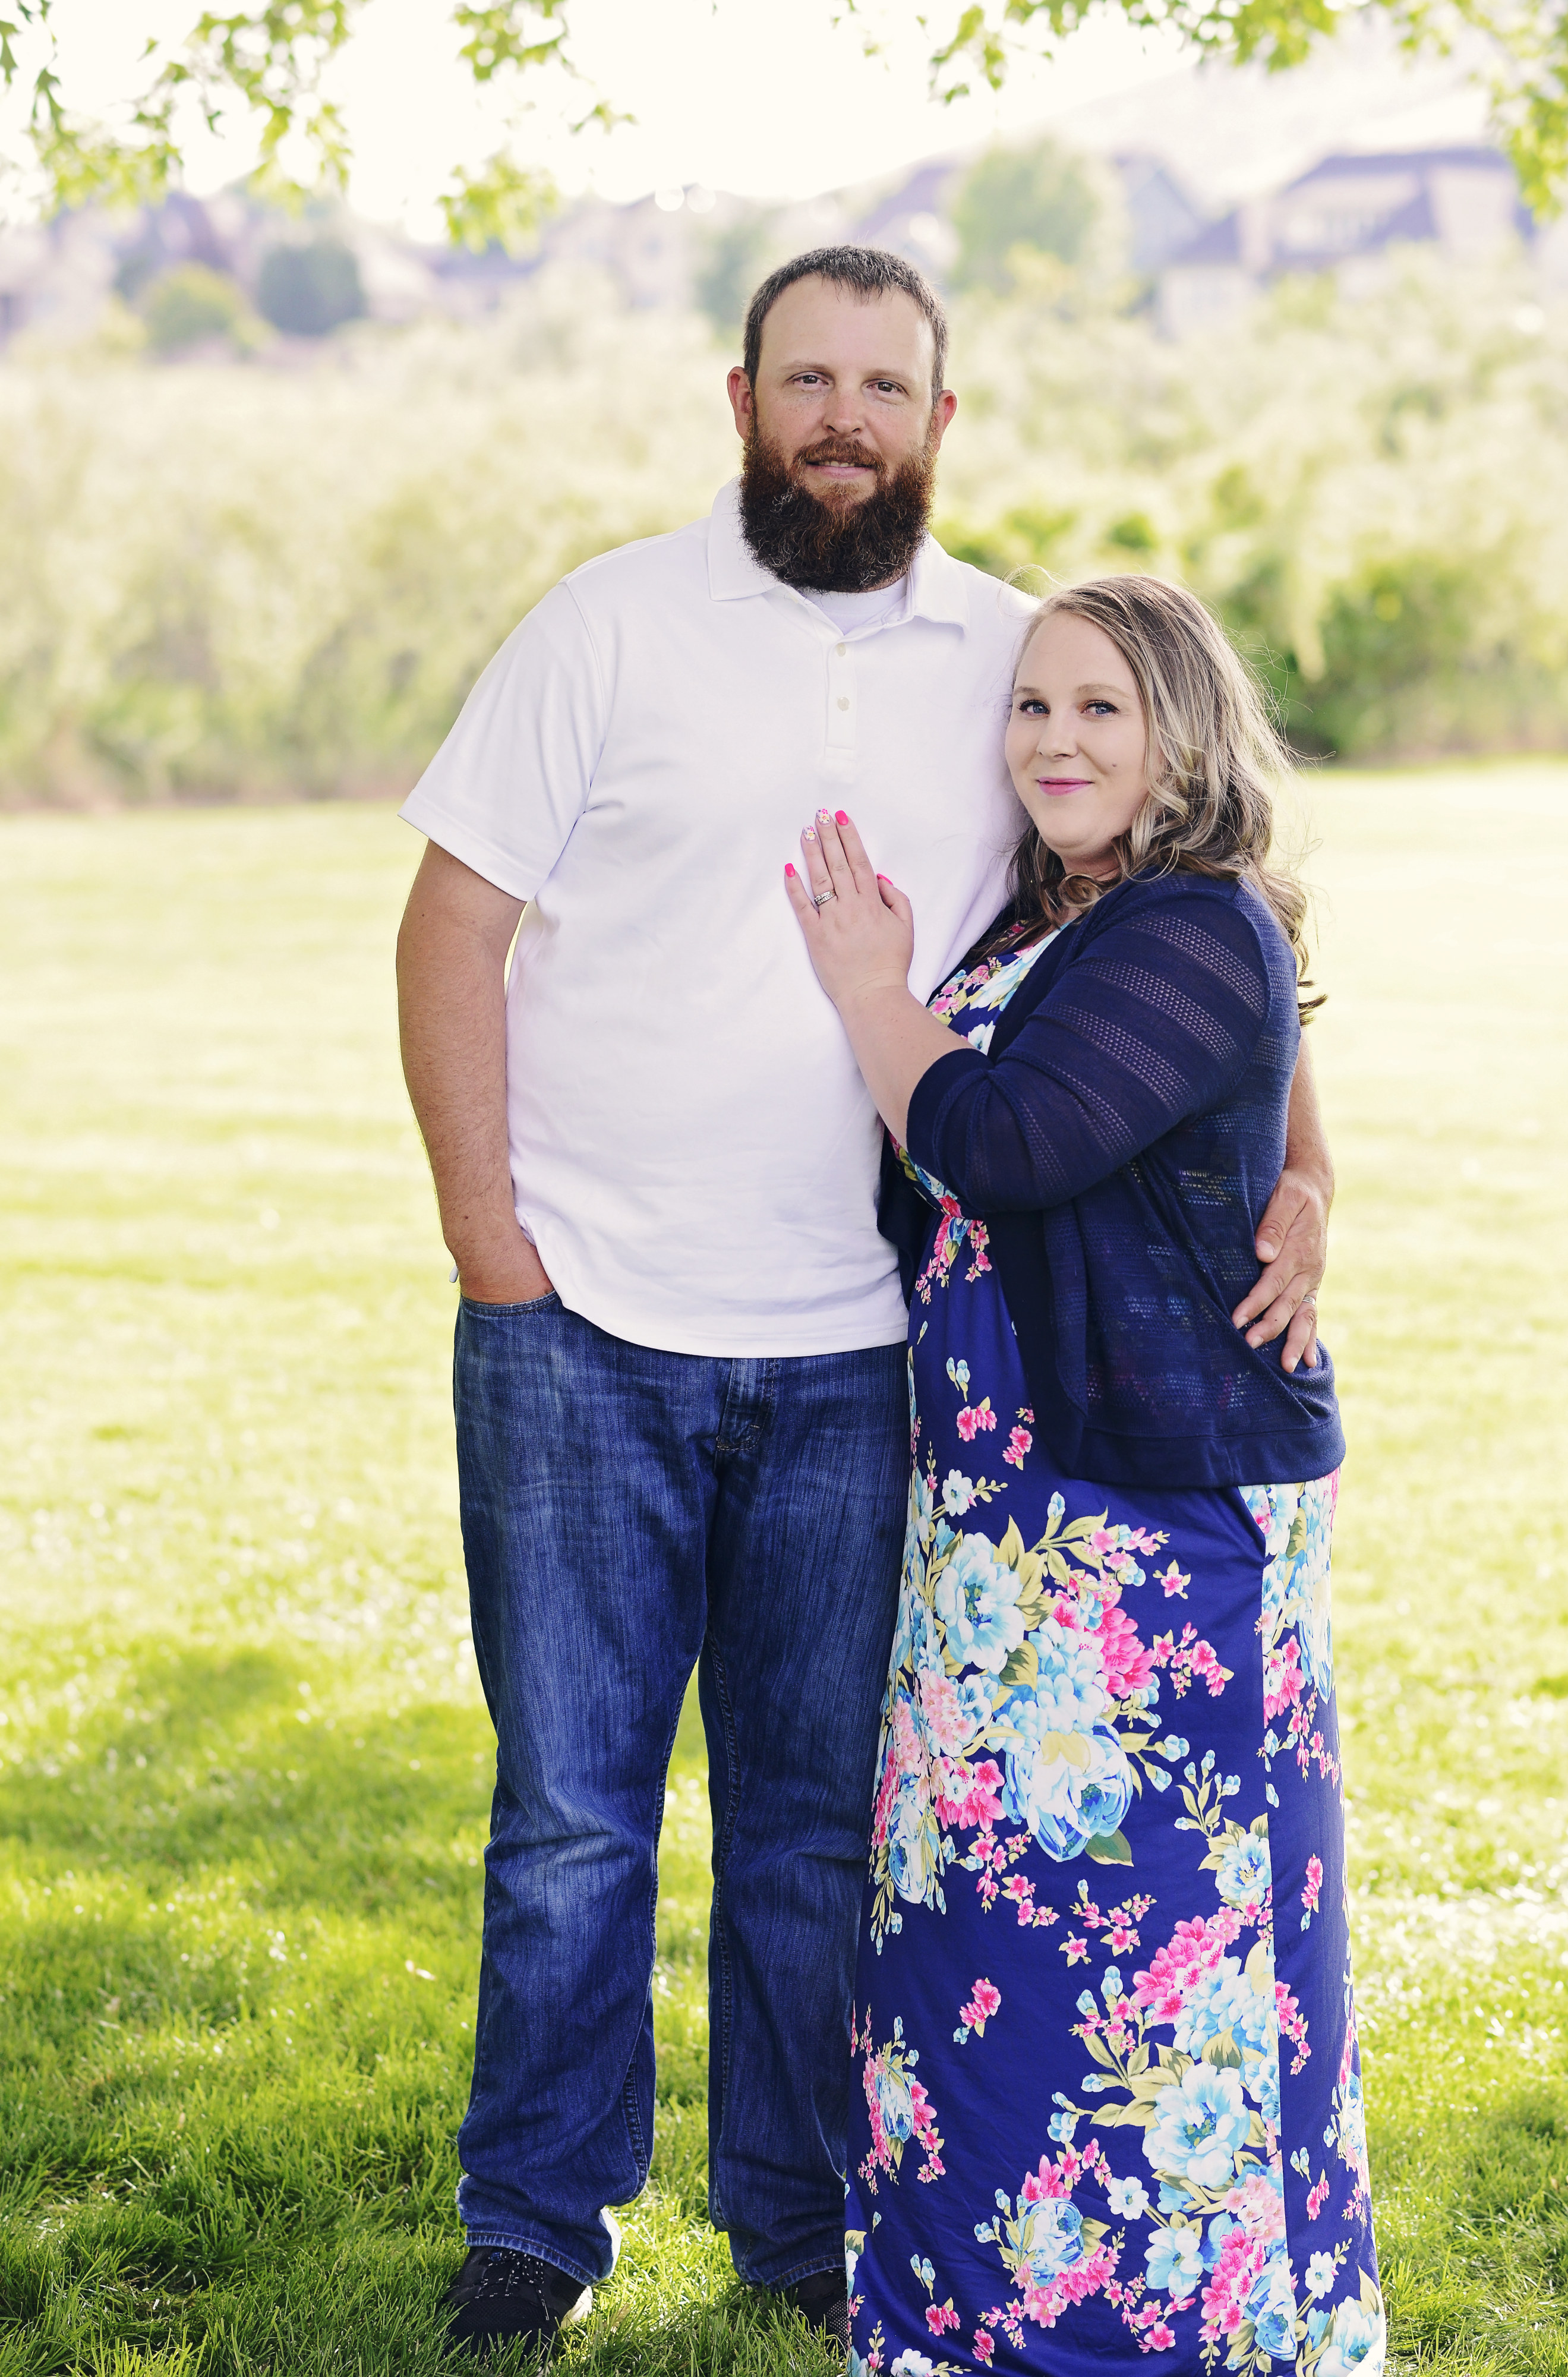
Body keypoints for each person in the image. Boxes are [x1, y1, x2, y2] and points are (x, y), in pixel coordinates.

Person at [393, 247, 1334, 2363]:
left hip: (859, 1352)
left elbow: (1191, 907)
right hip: (583, 1325)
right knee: (569, 1823)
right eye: (805, 379)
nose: (843, 418)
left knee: (820, 1827)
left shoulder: (1019, 661)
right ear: (741, 401)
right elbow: (450, 923)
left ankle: (802, 2221)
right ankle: (536, 2221)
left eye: (883, 386)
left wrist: (1311, 1164)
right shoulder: (605, 624)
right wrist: (492, 1246)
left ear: (939, 418)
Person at [783, 577, 1380, 2376]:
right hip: (999, 1523)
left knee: (1154, 1951)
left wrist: (870, 992)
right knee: (981, 1924)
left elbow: (1012, 1140)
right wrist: (1309, 1170)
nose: (1053, 740)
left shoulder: (1188, 923)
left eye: (1101, 708)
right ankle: (978, 2321)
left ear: (1182, 733)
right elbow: (1260, 1087)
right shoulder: (1063, 920)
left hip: (1151, 1529)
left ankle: (1173, 2334)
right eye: (1032, 705)